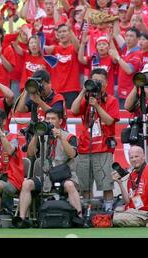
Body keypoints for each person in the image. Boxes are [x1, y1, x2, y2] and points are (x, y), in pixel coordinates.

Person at [14, 109, 83, 228]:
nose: (49, 121)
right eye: (47, 119)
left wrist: (61, 138)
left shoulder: (69, 136)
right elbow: (30, 153)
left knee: (70, 186)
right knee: (27, 184)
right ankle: (22, 219)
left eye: (53, 119)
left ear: (60, 121)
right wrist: (36, 134)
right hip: (46, 176)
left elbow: (72, 154)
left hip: (64, 175)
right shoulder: (42, 136)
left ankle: (79, 218)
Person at [71, 68, 120, 212]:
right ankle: (88, 212)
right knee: (85, 185)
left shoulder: (111, 100)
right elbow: (74, 110)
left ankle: (108, 211)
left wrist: (97, 105)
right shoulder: (86, 98)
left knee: (106, 184)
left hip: (104, 148)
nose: (97, 84)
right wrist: (83, 91)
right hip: (85, 147)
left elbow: (110, 121)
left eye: (100, 81)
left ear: (106, 83)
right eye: (94, 80)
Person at [112, 146, 148, 227]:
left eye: (136, 156)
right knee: (114, 212)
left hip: (144, 213)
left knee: (116, 219)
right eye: (131, 157)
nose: (134, 159)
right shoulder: (132, 175)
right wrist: (120, 183)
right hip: (133, 211)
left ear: (143, 156)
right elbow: (128, 201)